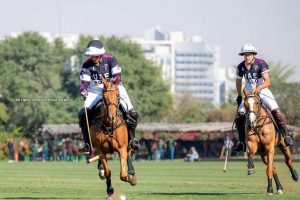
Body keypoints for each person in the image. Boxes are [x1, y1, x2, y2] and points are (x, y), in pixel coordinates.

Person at [78, 39, 140, 155]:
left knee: (133, 114)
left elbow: (117, 76)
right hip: (96, 91)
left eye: (95, 55)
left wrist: (110, 83)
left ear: (100, 54)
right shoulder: (86, 65)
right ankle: (87, 144)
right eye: (91, 55)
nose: (93, 58)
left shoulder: (110, 59)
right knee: (83, 114)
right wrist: (84, 90)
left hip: (114, 88)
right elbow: (85, 83)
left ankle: (132, 140)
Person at [233, 44, 294, 152]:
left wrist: (258, 88)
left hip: (263, 91)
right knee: (239, 116)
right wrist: (239, 95)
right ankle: (241, 142)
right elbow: (238, 82)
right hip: (249, 95)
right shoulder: (240, 67)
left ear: (253, 55)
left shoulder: (261, 63)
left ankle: (286, 135)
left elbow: (267, 81)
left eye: (249, 54)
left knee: (276, 111)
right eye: (244, 55)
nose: (246, 57)